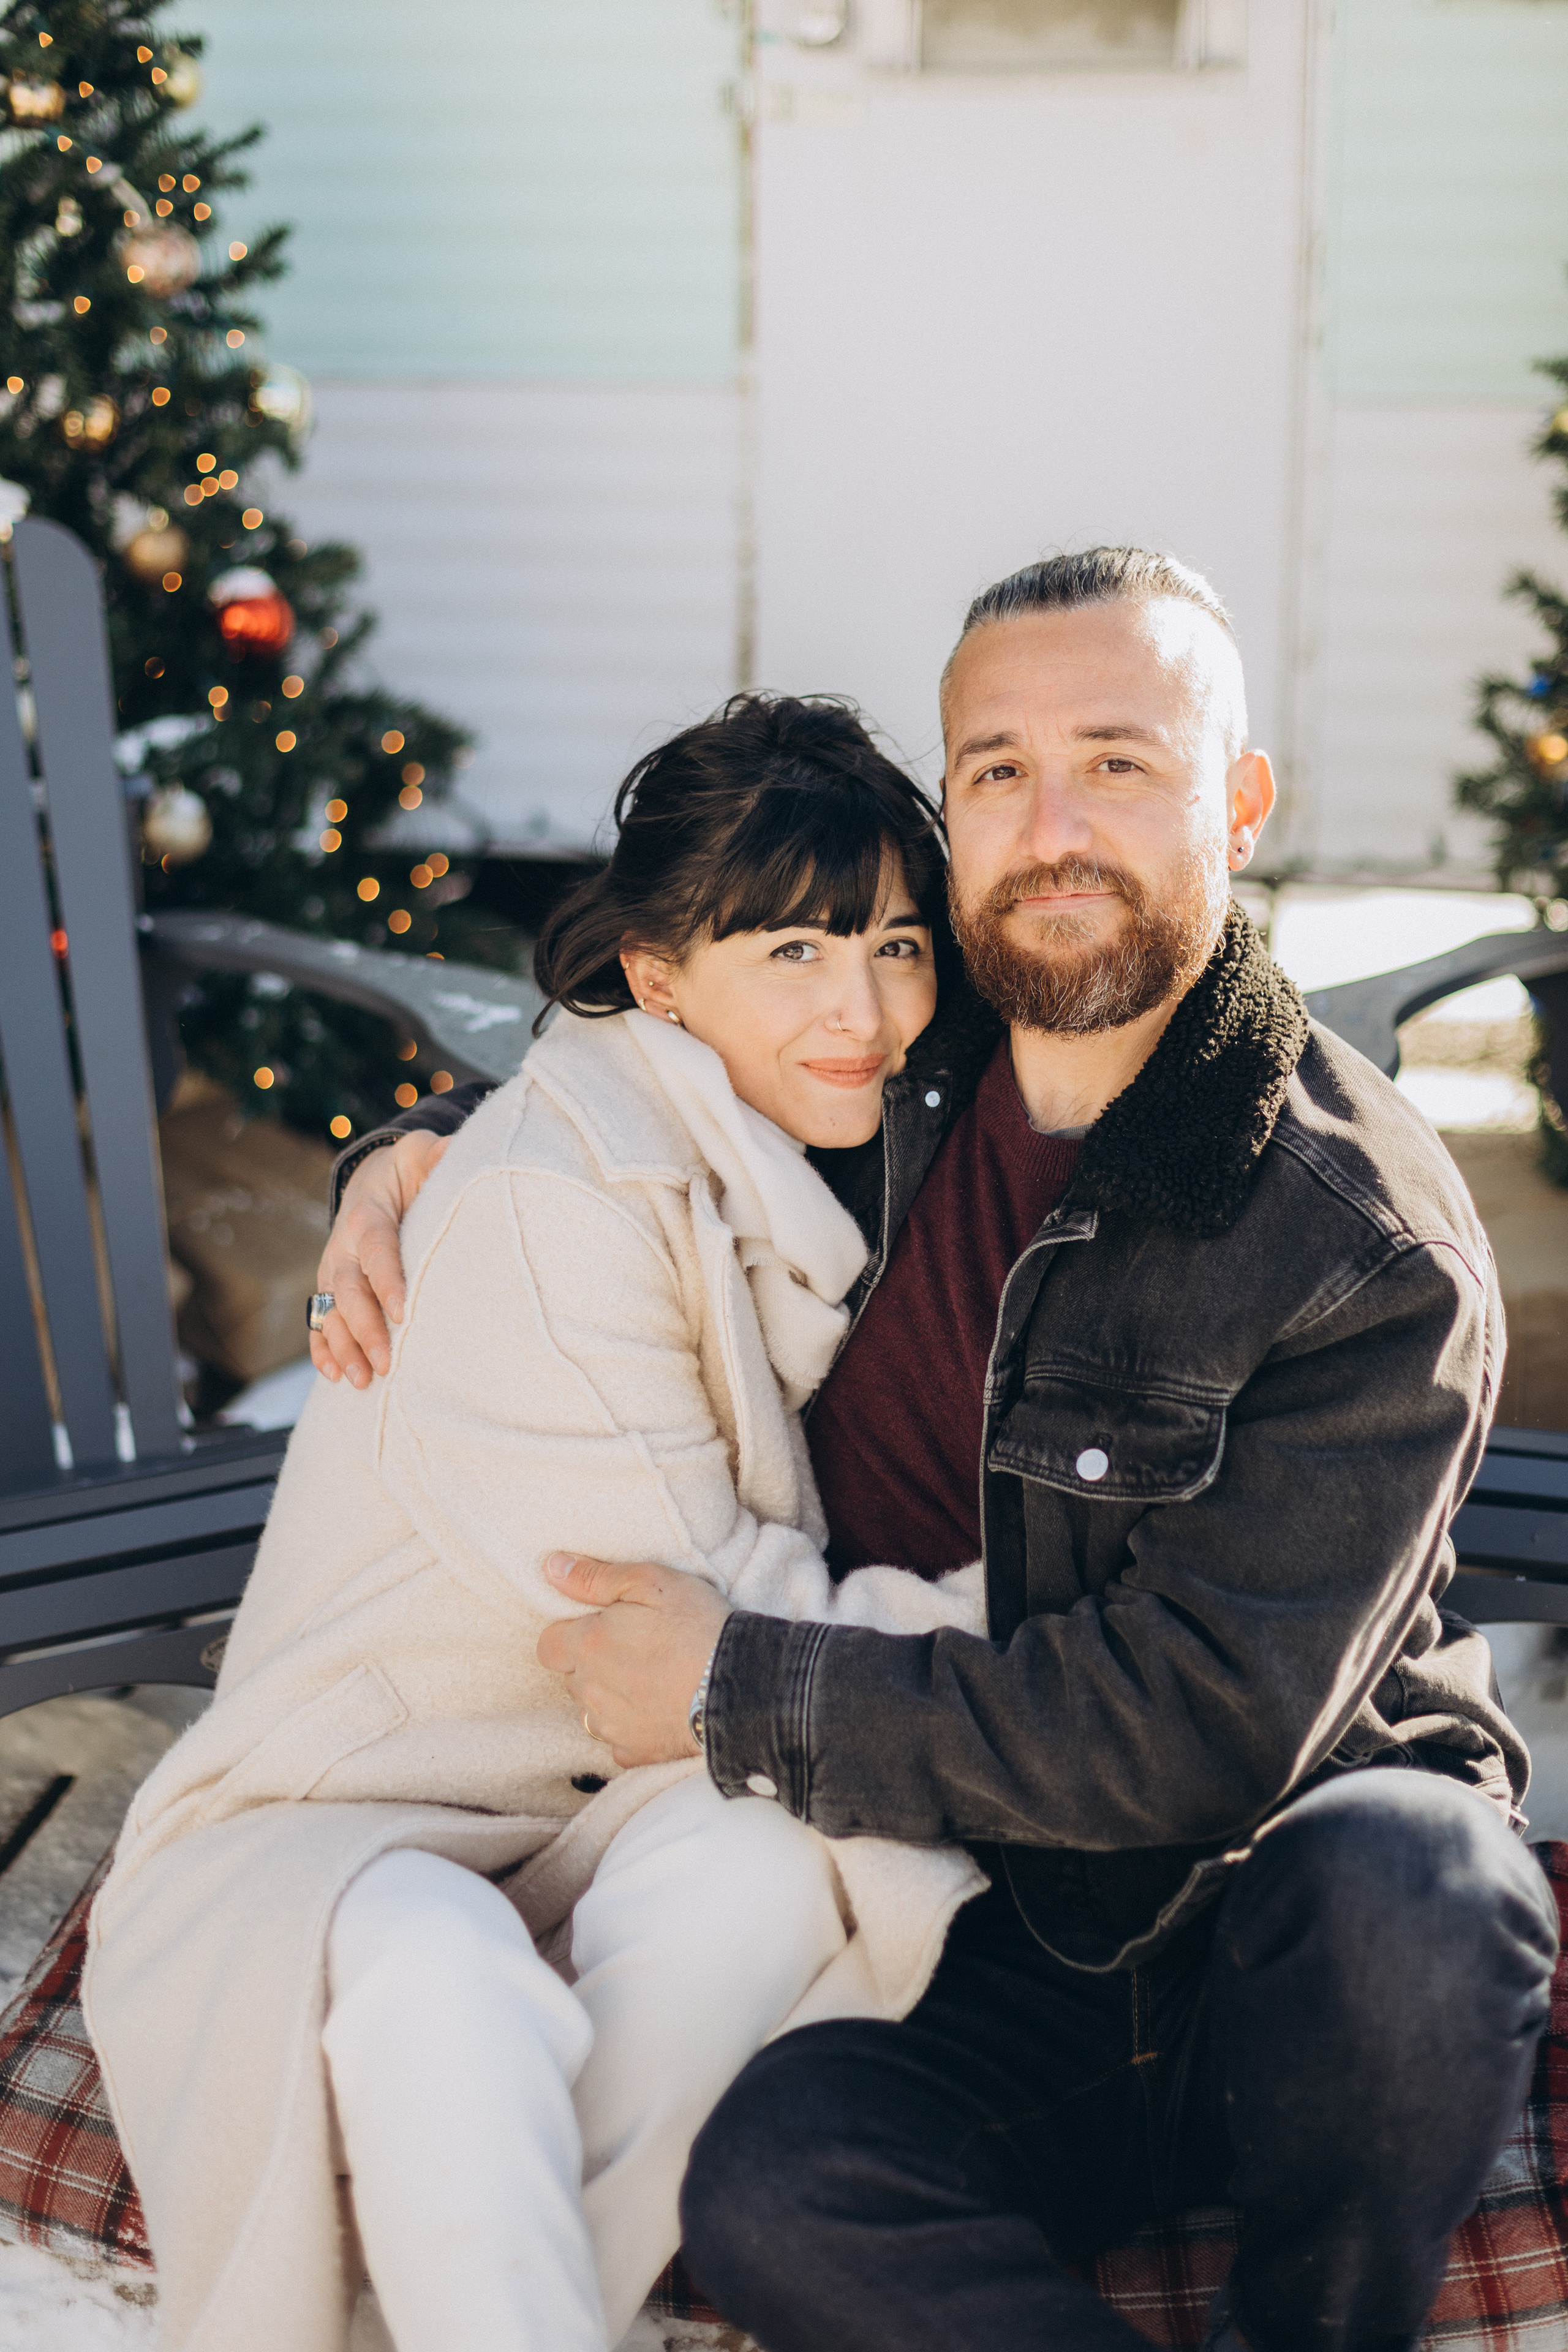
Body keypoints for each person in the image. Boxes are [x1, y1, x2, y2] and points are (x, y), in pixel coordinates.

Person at [325, 548, 1559, 2352]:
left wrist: (746, 1689)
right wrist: (416, 1146)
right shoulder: (896, 1042)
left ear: (1239, 800)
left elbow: (1203, 1731)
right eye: (997, 770)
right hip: (1009, 1942)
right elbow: (656, 1037)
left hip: (1285, 1926)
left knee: (1423, 1888)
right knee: (774, 2183)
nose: (1051, 826)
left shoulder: (1356, 1236)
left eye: (1119, 762)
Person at [84, 695, 996, 2352]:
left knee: (781, 1869)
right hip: (345, 1810)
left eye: (898, 945)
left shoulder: (819, 1134)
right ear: (657, 976)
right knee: (444, 1979)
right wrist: (1051, 1641)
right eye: (794, 951)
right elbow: (691, 1614)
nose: (865, 1007)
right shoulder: (541, 1200)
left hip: (602, 1800)